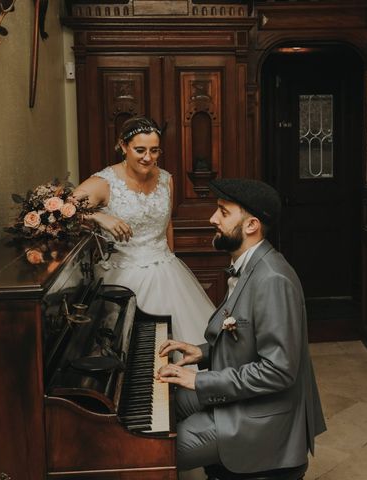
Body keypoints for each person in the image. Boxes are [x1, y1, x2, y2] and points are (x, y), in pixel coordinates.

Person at [157, 178, 326, 474]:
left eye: (223, 212)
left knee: (159, 451)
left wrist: (199, 380)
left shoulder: (273, 279)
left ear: (251, 226)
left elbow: (278, 371)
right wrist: (202, 352)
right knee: (170, 399)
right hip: (248, 401)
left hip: (263, 418)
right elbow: (248, 340)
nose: (212, 218)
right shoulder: (249, 264)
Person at [73, 116, 213, 345]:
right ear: (123, 146)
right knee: (129, 344)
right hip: (122, 275)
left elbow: (167, 223)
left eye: (155, 151)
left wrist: (171, 256)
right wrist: (99, 216)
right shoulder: (104, 182)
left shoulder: (166, 179)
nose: (148, 158)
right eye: (140, 150)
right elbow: (62, 211)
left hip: (167, 272)